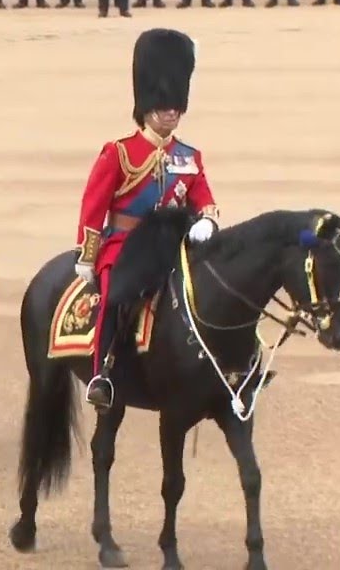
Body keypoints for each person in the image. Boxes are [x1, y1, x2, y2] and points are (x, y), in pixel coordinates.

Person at [76, 29, 219, 410]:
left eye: (176, 105)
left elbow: (205, 199)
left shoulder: (189, 156)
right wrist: (88, 256)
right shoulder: (119, 153)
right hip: (127, 246)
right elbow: (94, 206)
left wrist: (207, 220)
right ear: (147, 105)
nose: (171, 112)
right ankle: (101, 374)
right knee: (115, 296)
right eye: (164, 105)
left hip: (175, 247)